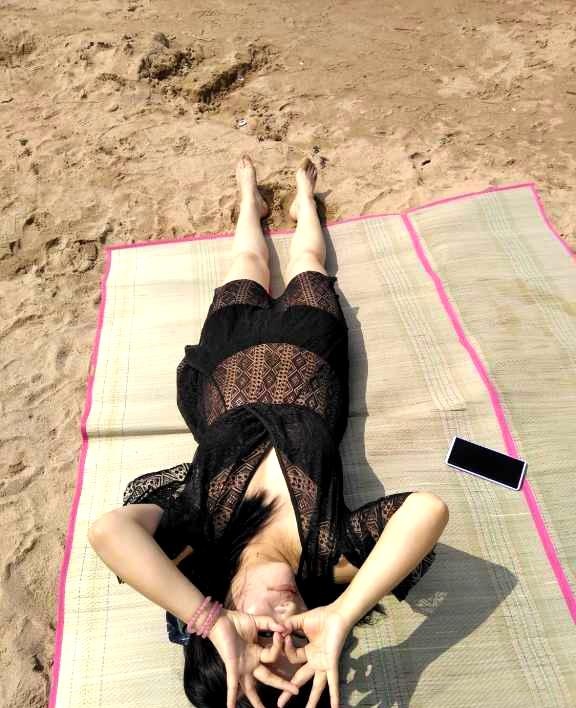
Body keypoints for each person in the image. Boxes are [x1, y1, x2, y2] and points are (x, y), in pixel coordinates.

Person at [88, 154, 450, 708]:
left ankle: (249, 199)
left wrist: (207, 618)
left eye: (261, 636)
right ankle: (305, 200)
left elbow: (108, 532)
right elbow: (428, 510)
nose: (284, 620)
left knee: (247, 259)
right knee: (308, 260)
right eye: (298, 640)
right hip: (311, 353)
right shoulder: (331, 558)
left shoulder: (197, 545)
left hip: (227, 359)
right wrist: (340, 614)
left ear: (224, 631)